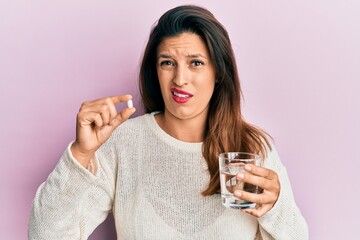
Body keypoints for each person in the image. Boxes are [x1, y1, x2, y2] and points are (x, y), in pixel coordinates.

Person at [29, 5, 308, 240]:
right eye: (167, 63)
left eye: (195, 63)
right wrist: (80, 153)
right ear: (156, 71)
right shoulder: (124, 142)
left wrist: (276, 206)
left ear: (219, 72)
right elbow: (45, 234)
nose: (179, 79)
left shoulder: (253, 147)